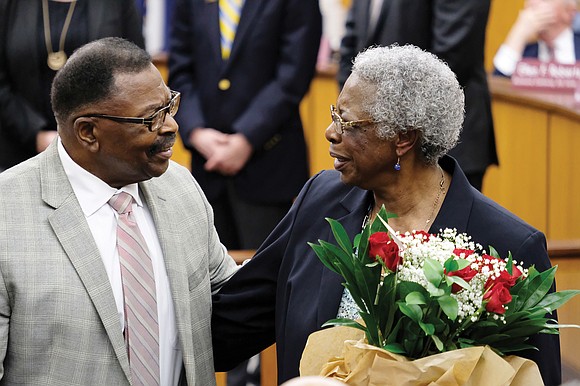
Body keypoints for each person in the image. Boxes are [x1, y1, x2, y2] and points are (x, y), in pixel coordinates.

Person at [211, 45, 562, 386]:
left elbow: (532, 377)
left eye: (348, 123)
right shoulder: (319, 201)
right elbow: (229, 329)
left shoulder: (508, 246)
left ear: (403, 139)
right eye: (335, 116)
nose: (331, 133)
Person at [0, 37, 238, 385]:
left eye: (169, 105)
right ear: (88, 132)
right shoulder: (7, 215)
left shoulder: (180, 188)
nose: (171, 126)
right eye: (150, 118)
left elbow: (233, 304)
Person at [168, 0, 322, 251]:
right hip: (206, 166)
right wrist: (196, 131)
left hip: (268, 162)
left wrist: (246, 138)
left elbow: (293, 74)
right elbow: (180, 70)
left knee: (263, 279)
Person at [338, 0, 496, 192]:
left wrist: (388, 123)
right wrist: (356, 112)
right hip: (371, 143)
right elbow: (350, 45)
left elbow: (453, 59)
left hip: (437, 145)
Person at [0, 0, 144, 172]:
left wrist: (91, 133)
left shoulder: (118, 4)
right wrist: (35, 134)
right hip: (20, 151)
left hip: (102, 151)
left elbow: (135, 71)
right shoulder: (8, 5)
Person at [494, 0, 579, 77]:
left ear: (569, 11)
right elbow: (496, 88)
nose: (532, 3)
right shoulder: (522, 53)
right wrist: (518, 35)